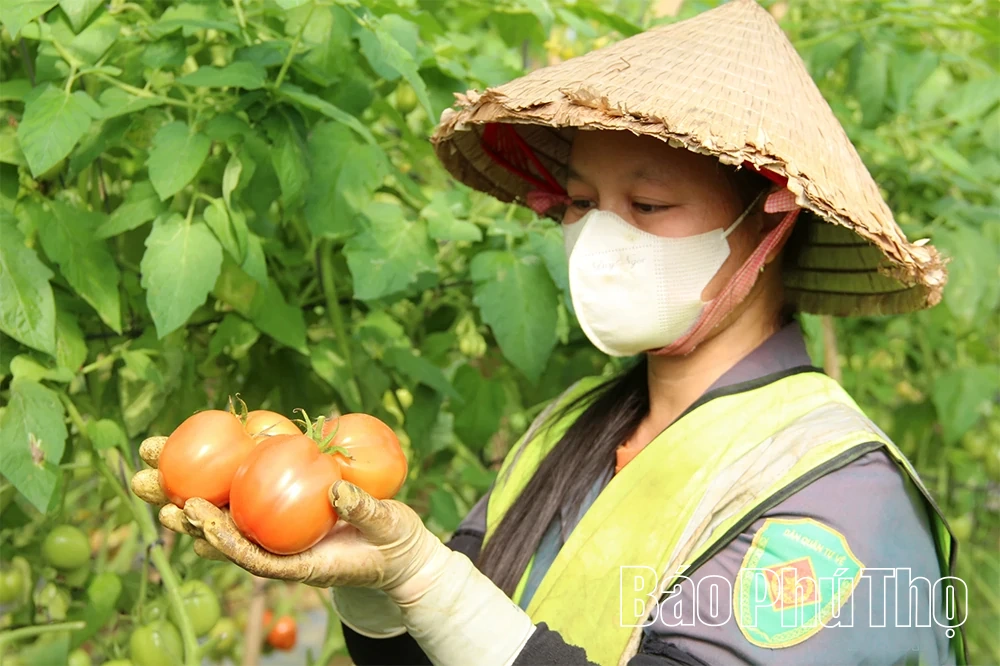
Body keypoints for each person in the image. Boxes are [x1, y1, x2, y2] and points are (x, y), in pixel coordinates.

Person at [130, 1, 966, 664]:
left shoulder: (835, 498)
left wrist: (430, 581)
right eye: (579, 203)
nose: (601, 240)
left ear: (771, 225)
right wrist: (376, 586)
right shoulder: (571, 427)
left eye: (648, 206)